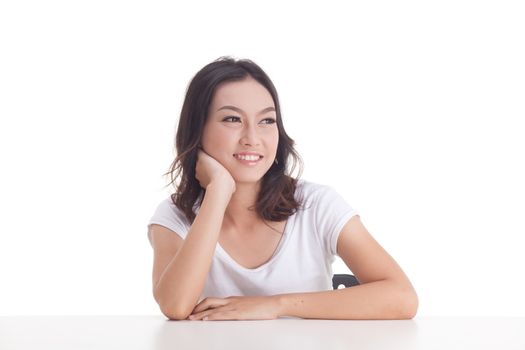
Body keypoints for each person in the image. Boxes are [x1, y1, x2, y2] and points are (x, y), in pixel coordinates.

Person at [147, 56, 418, 321]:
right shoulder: (174, 216)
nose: (252, 138)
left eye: (266, 121)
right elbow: (175, 306)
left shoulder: (317, 205)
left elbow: (402, 297)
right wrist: (218, 190)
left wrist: (274, 305)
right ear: (197, 129)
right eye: (232, 119)